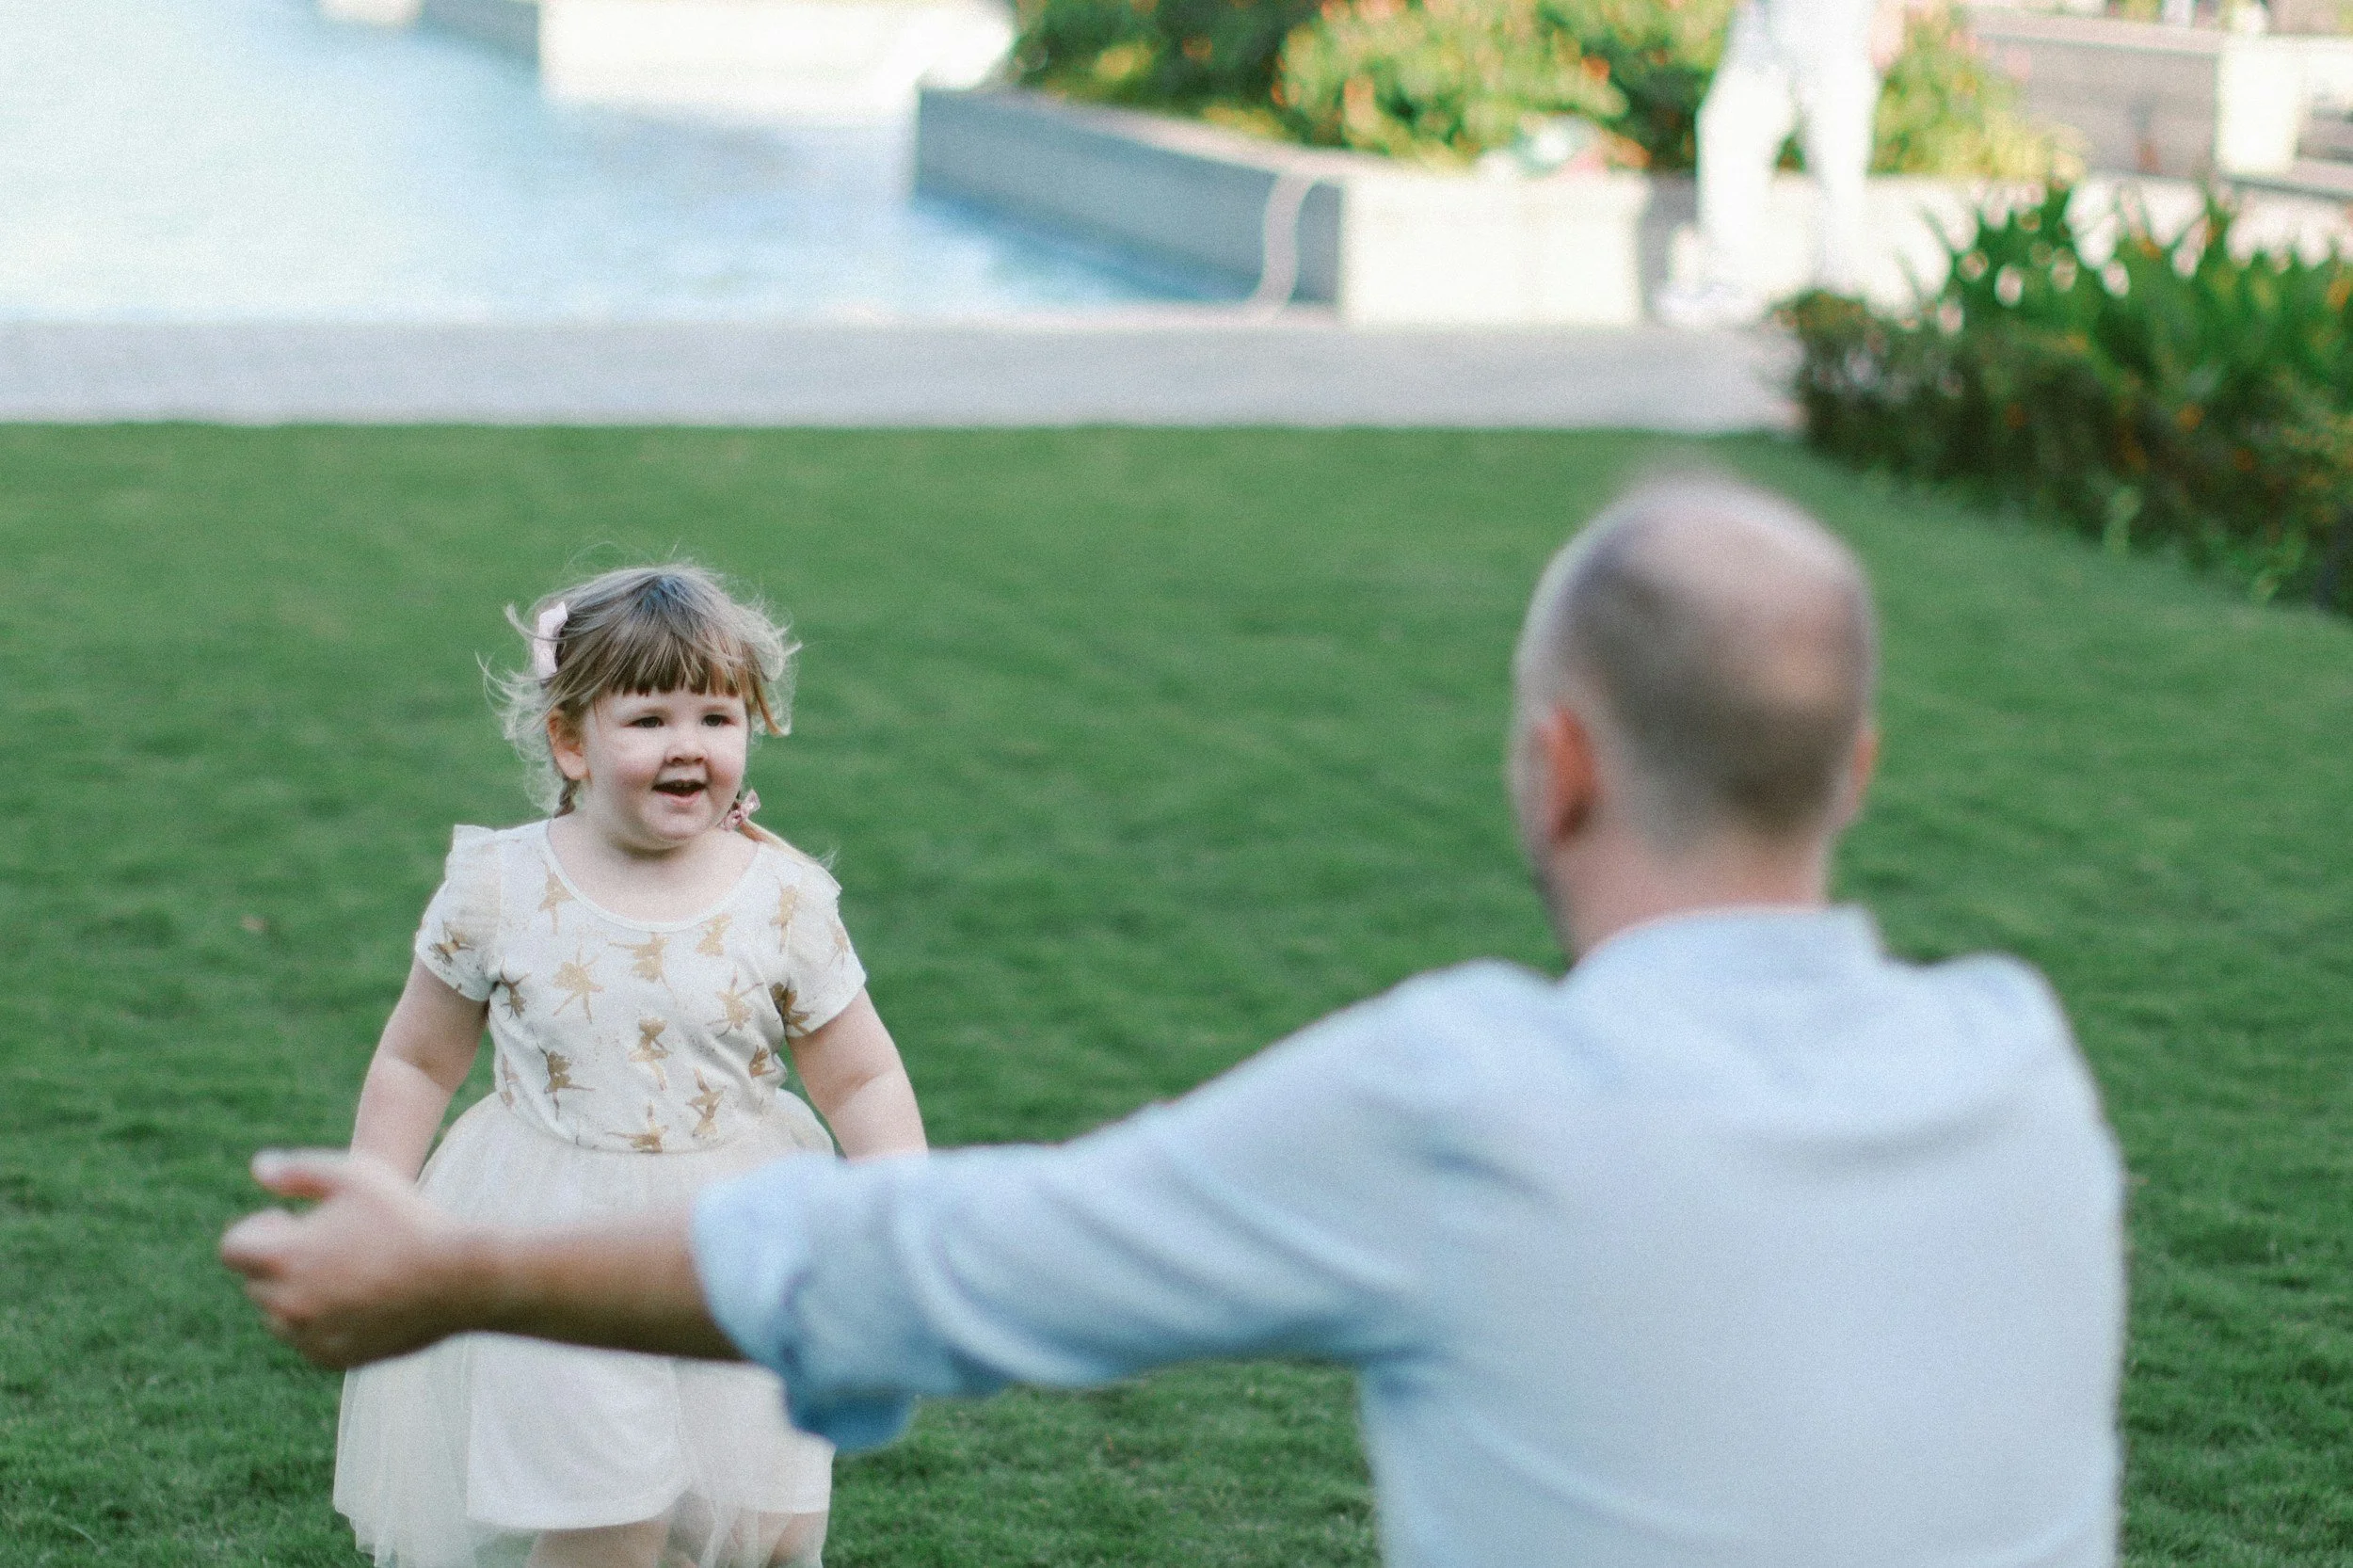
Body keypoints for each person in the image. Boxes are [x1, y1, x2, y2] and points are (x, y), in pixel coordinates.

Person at [227, 479, 2126, 1568]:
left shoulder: (1460, 1093)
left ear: (1551, 766)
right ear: (1855, 766)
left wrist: (452, 1266)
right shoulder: (2028, 1070)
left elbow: (958, 1262)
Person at [324, 565, 927, 1568]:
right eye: (648, 717)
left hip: (742, 1221)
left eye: (717, 715)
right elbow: (417, 1058)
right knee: (604, 1517)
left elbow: (860, 1075)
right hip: (551, 1233)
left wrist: (899, 1206)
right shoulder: (500, 888)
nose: (688, 743)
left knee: (763, 1517)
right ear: (571, 739)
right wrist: (373, 1196)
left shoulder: (781, 899)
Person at [1657, 0, 1912, 328]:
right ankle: (1729, 283)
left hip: (1843, 26)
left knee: (1838, 162)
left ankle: (1838, 295)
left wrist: (1890, 11)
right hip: (1767, 24)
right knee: (1729, 132)